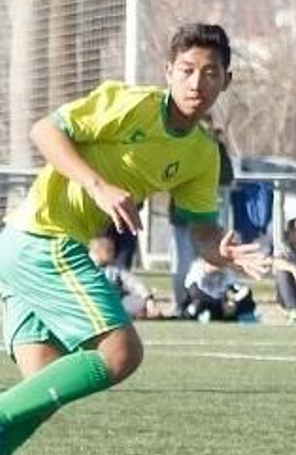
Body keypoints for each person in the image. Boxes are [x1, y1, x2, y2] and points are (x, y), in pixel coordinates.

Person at [0, 23, 268, 455]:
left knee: (42, 393)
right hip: (42, 239)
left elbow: (202, 229)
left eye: (210, 73)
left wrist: (220, 250)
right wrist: (98, 185)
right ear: (168, 72)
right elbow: (44, 131)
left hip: (24, 247)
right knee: (121, 353)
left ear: (226, 80)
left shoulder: (203, 155)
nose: (197, 83)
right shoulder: (133, 105)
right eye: (187, 70)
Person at [169, 128, 233, 312]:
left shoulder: (217, 149)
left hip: (208, 220)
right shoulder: (178, 145)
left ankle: (211, 302)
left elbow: (227, 177)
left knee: (213, 262)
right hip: (183, 218)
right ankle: (181, 304)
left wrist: (214, 152)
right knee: (183, 264)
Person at [87, 233, 159, 320]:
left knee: (140, 300)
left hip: (115, 303)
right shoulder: (86, 267)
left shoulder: (116, 268)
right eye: (109, 250)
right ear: (98, 251)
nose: (113, 253)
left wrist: (149, 299)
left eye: (113, 250)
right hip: (92, 303)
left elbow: (134, 283)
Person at [182, 257, 258, 323]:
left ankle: (245, 319)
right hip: (205, 301)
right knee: (198, 305)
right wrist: (221, 302)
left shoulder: (227, 271)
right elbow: (196, 293)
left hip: (221, 302)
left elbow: (238, 288)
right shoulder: (197, 271)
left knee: (244, 302)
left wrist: (232, 300)